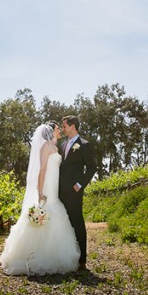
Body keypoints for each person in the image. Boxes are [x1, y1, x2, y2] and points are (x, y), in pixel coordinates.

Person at [0, 122, 80, 275]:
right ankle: (33, 254)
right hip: (47, 185)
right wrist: (40, 190)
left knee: (55, 213)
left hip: (54, 186)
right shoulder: (46, 146)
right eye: (57, 129)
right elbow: (41, 169)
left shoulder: (55, 147)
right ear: (51, 131)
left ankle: (53, 253)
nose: (60, 131)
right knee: (44, 212)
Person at [58, 115, 99, 271]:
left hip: (74, 192)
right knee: (63, 223)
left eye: (64, 126)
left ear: (72, 126)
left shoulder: (85, 145)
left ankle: (82, 260)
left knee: (77, 223)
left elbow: (92, 168)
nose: (63, 129)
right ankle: (67, 256)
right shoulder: (62, 146)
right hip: (60, 192)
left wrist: (79, 184)